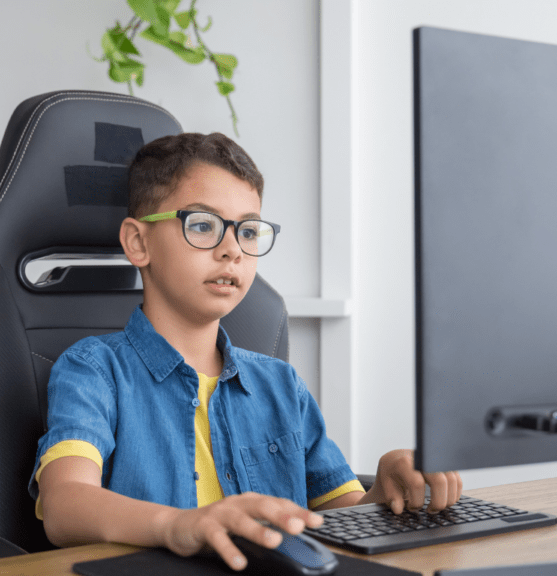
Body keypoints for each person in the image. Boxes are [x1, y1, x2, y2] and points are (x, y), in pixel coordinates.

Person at [29, 132, 462, 571]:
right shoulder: (94, 370)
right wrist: (180, 525)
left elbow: (335, 518)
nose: (232, 249)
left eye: (248, 230)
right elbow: (65, 506)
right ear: (138, 243)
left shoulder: (280, 384)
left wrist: (384, 490)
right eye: (202, 225)